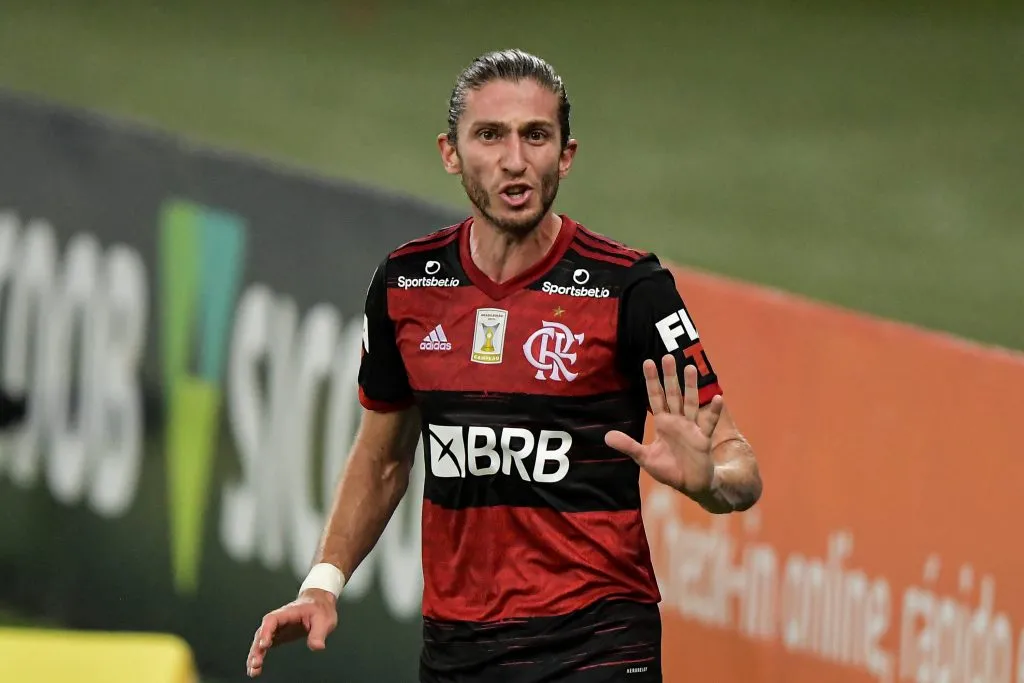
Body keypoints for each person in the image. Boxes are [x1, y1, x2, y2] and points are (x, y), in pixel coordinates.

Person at [246, 48, 762, 682]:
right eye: (490, 136)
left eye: (536, 136)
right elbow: (382, 457)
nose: (515, 161)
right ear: (451, 153)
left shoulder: (631, 289)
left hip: (598, 643)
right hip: (458, 649)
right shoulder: (407, 283)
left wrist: (709, 481)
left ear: (565, 156)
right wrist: (323, 582)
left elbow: (740, 466)